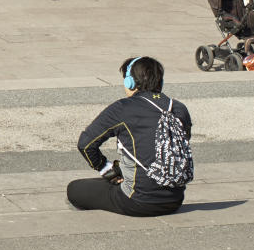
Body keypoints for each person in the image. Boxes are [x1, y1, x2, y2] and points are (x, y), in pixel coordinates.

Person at [67, 56, 192, 216]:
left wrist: (107, 169)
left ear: (130, 82)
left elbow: (85, 144)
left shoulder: (122, 108)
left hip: (136, 201)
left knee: (74, 189)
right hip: (174, 200)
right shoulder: (179, 108)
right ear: (160, 81)